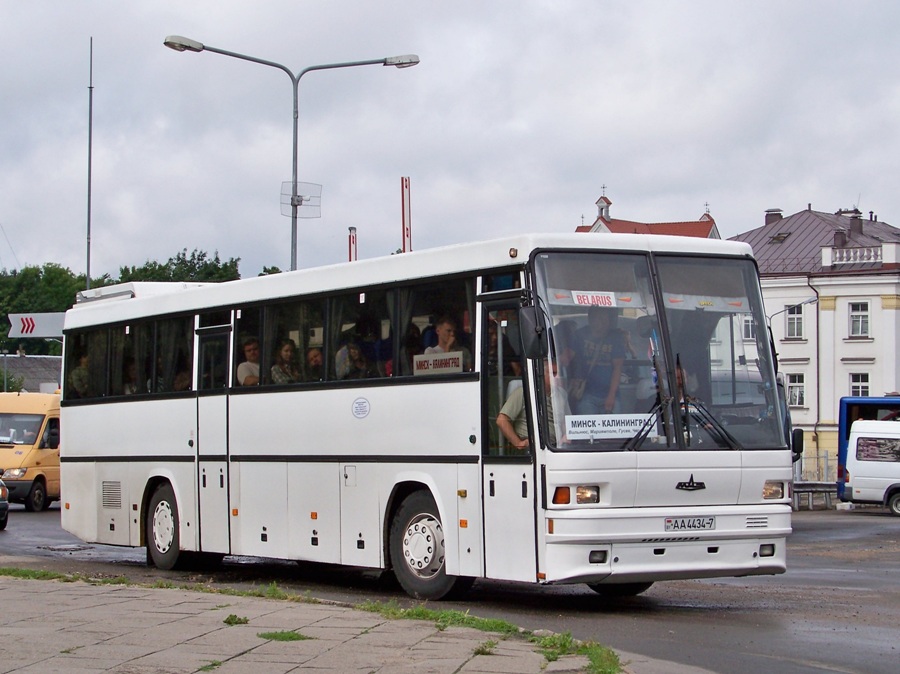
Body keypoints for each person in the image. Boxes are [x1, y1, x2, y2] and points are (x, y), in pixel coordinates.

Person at [496, 361, 571, 451]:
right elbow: (501, 420)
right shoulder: (523, 392)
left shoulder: (562, 393)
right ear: (541, 374)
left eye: (559, 373)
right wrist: (519, 443)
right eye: (553, 373)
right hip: (532, 447)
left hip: (556, 447)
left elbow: (565, 422)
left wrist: (565, 436)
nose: (558, 377)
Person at [570, 306, 627, 415]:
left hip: (611, 395)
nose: (603, 322)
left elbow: (617, 368)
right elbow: (567, 358)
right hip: (586, 395)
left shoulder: (615, 338)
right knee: (587, 431)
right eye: (599, 318)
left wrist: (611, 396)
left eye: (606, 319)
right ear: (590, 319)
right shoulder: (580, 335)